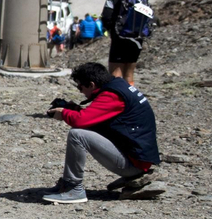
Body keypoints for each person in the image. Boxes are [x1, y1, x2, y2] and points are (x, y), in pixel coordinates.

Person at [41, 61, 164, 204]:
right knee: (82, 129)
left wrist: (64, 114)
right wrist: (74, 109)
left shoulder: (112, 95)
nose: (81, 91)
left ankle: (73, 189)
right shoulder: (118, 86)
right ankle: (67, 185)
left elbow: (81, 121)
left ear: (92, 84)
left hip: (134, 164)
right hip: (137, 156)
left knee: (77, 134)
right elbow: (99, 120)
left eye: (80, 87)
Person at [100, 0, 153, 86]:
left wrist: (110, 30)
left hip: (119, 37)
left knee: (115, 73)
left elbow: (107, 16)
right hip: (137, 38)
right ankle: (130, 100)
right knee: (129, 74)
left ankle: (117, 100)